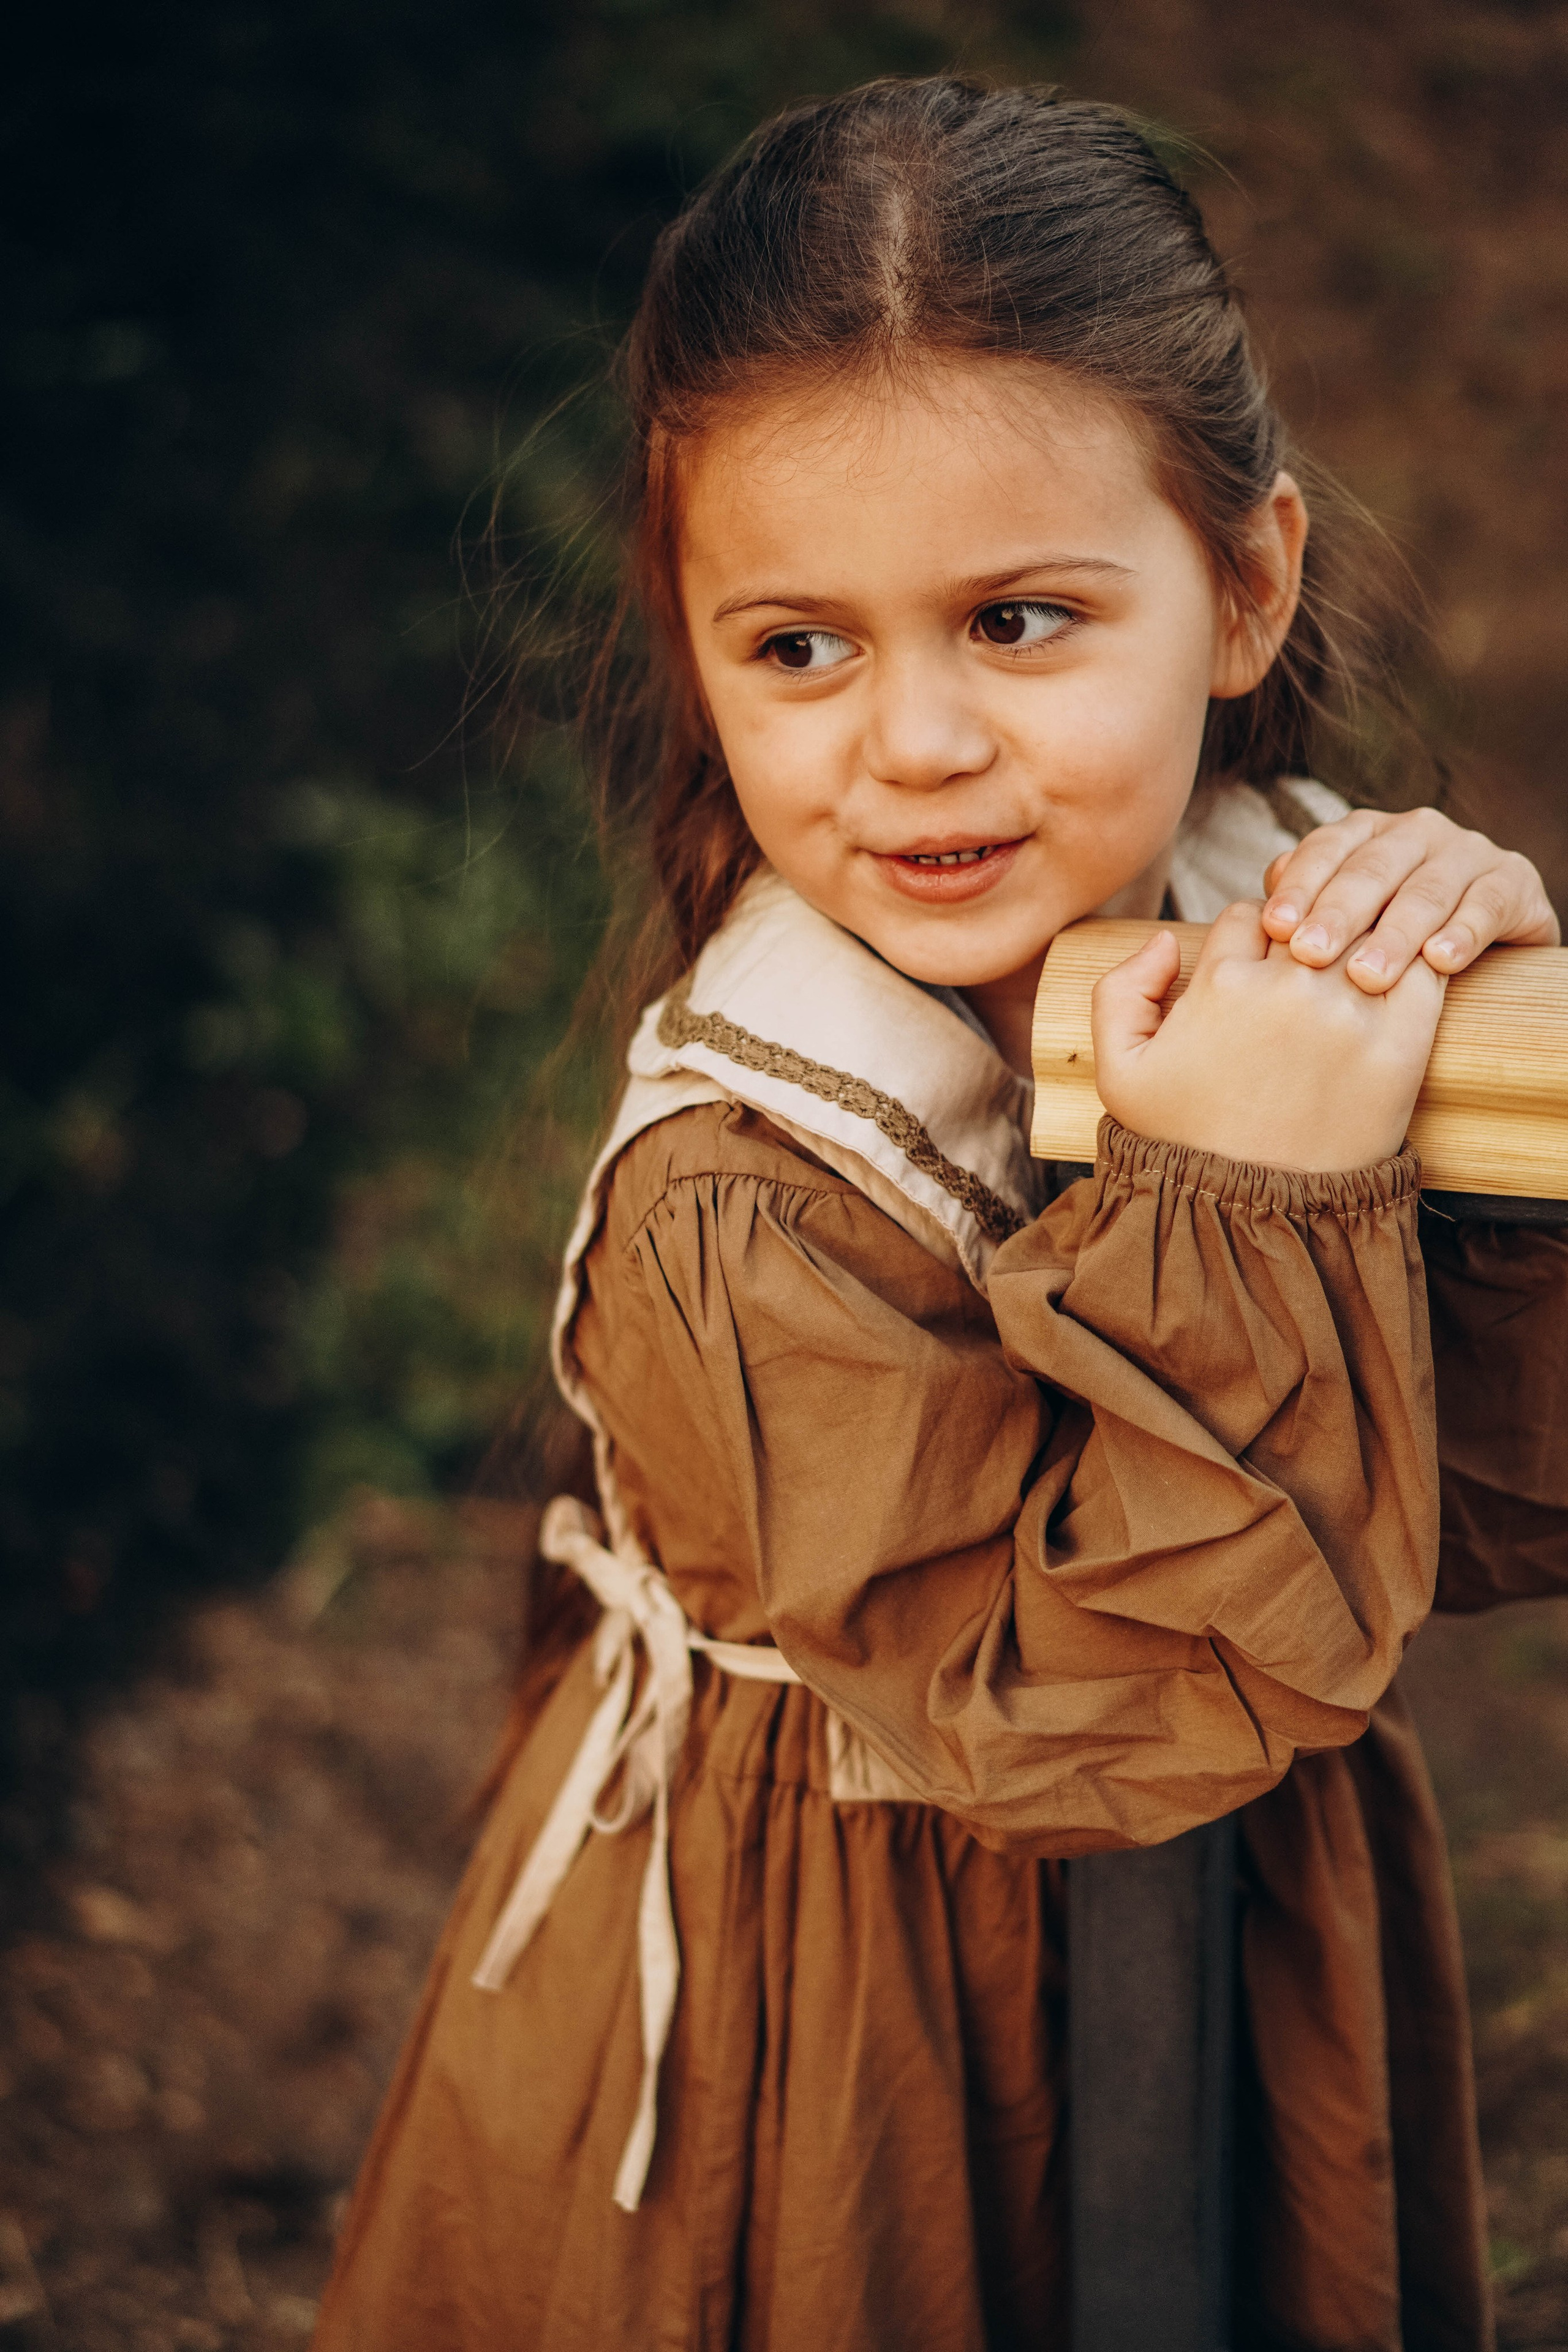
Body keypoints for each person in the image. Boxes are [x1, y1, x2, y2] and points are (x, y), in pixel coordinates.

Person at [312, 78, 1568, 2352]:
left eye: (1015, 619)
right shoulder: (738, 1192)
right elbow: (1080, 1716)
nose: (909, 744)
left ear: (1245, 584)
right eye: (800, 645)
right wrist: (1246, 1196)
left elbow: (1487, 1496)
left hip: (1246, 1922)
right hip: (856, 1999)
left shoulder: (1264, 907)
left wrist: (1492, 1066)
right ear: (693, 644)